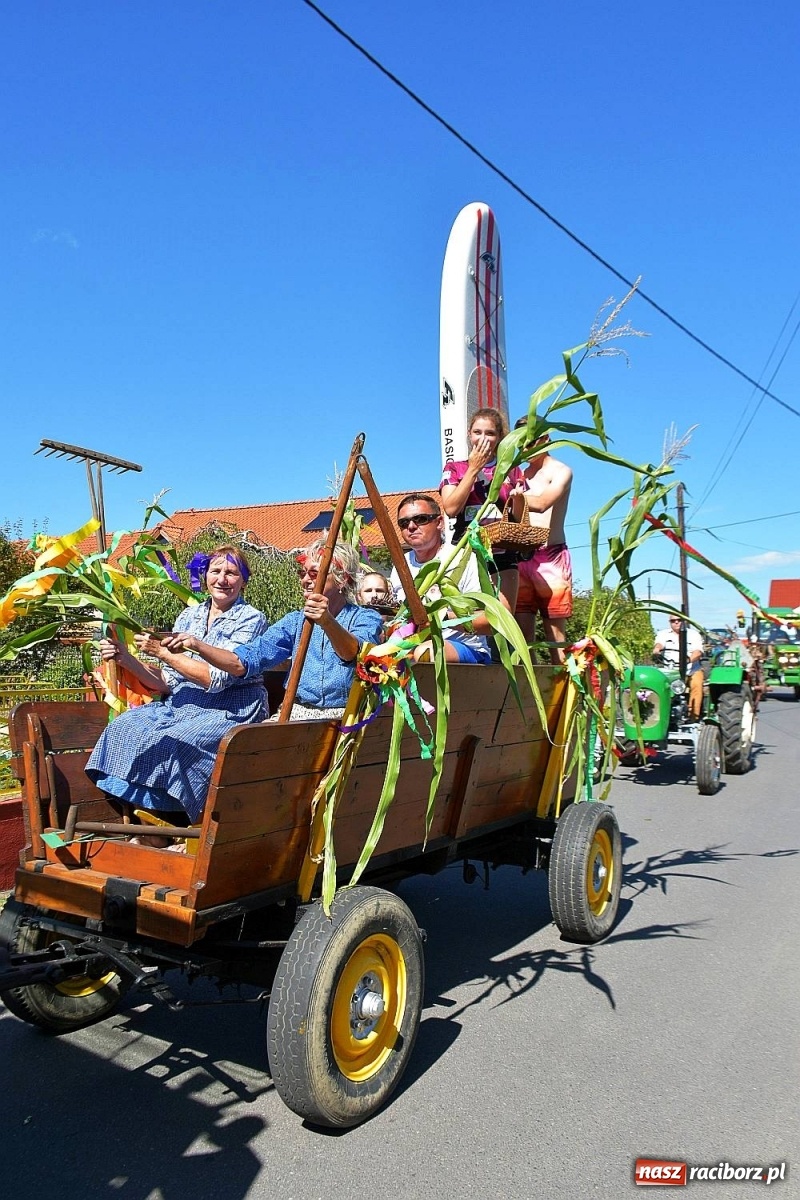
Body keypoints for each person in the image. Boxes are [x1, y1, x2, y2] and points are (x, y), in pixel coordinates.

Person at [86, 546, 268, 835]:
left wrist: (162, 651)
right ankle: (146, 821)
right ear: (205, 576)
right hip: (182, 703)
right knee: (123, 727)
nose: (223, 579)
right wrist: (126, 658)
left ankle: (180, 824)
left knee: (178, 741)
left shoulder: (251, 619)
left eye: (232, 573)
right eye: (216, 571)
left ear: (244, 581)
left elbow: (216, 679)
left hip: (230, 707)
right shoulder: (189, 616)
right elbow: (167, 681)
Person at [178, 540, 383, 721]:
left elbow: (353, 654)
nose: (305, 580)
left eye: (314, 573)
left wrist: (327, 621)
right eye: (302, 573)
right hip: (297, 713)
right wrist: (198, 646)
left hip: (344, 717)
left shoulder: (365, 618)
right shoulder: (295, 622)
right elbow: (245, 661)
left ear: (342, 579)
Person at [389, 493, 511, 664]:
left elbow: (493, 621)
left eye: (421, 519)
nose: (411, 526)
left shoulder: (464, 560)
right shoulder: (400, 566)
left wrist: (439, 618)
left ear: (439, 522)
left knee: (427, 653)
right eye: (403, 522)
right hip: (409, 648)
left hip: (465, 649)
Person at [439, 408, 527, 611]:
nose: (483, 438)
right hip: (467, 549)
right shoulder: (454, 468)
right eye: (477, 432)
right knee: (468, 612)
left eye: (490, 433)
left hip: (502, 549)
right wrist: (473, 469)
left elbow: (519, 518)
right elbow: (451, 508)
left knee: (502, 615)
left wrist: (519, 497)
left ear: (500, 437)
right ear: (469, 434)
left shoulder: (511, 469)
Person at [511, 421, 574, 664]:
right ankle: (532, 698)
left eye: (532, 441)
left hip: (551, 557)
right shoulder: (519, 474)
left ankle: (564, 699)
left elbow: (543, 502)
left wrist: (515, 494)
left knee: (555, 638)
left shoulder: (560, 471)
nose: (527, 447)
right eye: (522, 442)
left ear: (545, 439)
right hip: (522, 556)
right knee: (523, 639)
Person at [653, 614, 705, 719]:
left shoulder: (693, 635)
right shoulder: (663, 634)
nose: (676, 622)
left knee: (697, 684)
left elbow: (698, 651)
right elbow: (659, 644)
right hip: (670, 670)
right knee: (655, 685)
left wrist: (688, 660)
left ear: (684, 621)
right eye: (673, 621)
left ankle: (693, 717)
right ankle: (657, 715)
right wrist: (657, 650)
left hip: (691, 670)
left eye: (679, 620)